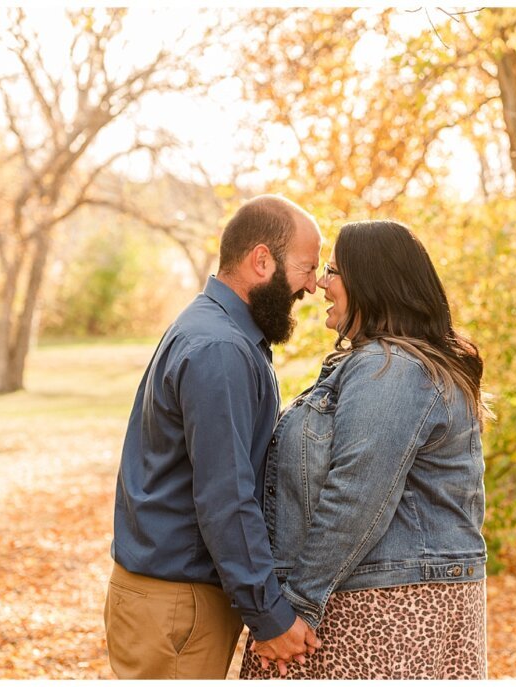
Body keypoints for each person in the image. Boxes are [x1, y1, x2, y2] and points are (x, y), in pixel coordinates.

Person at [240, 219, 490, 680]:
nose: (320, 284)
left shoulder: (389, 368)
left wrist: (296, 607)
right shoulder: (387, 363)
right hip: (383, 599)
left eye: (333, 271)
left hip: (386, 612)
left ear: (371, 283)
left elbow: (357, 495)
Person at [105, 195, 323, 679]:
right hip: (176, 607)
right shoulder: (219, 348)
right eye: (306, 268)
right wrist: (269, 616)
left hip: (172, 601)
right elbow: (225, 496)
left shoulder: (216, 330)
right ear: (261, 260)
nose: (313, 285)